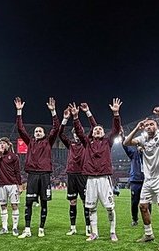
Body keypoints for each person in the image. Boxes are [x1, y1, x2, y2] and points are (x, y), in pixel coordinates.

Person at [123, 107, 159, 250]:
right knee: (142, 206)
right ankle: (149, 234)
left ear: (157, 126)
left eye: (151, 124)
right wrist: (137, 128)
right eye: (147, 125)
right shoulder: (142, 139)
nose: (149, 127)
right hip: (148, 179)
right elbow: (126, 143)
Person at [14, 97, 62, 239]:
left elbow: (56, 128)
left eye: (40, 131)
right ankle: (27, 229)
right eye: (36, 131)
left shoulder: (48, 141)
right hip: (33, 175)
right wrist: (19, 111)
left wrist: (53, 112)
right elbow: (20, 129)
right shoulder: (30, 142)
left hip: (45, 174)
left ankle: (41, 228)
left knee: (44, 202)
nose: (38, 132)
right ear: (34, 134)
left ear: (44, 134)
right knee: (28, 202)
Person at [76, 98, 123, 242]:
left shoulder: (108, 142)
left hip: (104, 178)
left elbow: (116, 130)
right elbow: (79, 132)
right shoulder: (87, 143)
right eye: (95, 129)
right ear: (92, 133)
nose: (97, 130)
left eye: (100, 129)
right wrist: (76, 117)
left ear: (104, 133)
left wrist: (116, 114)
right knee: (91, 208)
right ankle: (94, 233)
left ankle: (112, 232)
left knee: (109, 207)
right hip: (90, 179)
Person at [59, 105, 91, 236]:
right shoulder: (70, 144)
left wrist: (86, 113)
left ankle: (88, 227)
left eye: (79, 132)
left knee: (85, 202)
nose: (77, 135)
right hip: (71, 174)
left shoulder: (86, 143)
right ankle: (73, 227)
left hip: (83, 175)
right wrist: (65, 119)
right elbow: (60, 134)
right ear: (73, 134)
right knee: (72, 202)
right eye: (75, 133)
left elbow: (94, 127)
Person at [0, 136, 21, 236]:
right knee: (3, 206)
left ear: (8, 145)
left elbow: (17, 171)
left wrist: (19, 185)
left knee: (14, 205)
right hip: (1, 185)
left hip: (12, 185)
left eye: (4, 143)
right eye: (0, 143)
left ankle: (15, 228)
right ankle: (4, 228)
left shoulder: (14, 156)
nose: (2, 145)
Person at [122, 130, 147, 227]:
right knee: (134, 202)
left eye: (142, 145)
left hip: (146, 180)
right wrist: (122, 137)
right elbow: (125, 146)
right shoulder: (133, 154)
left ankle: (147, 220)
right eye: (138, 145)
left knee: (147, 202)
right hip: (135, 181)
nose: (140, 146)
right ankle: (134, 219)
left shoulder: (149, 154)